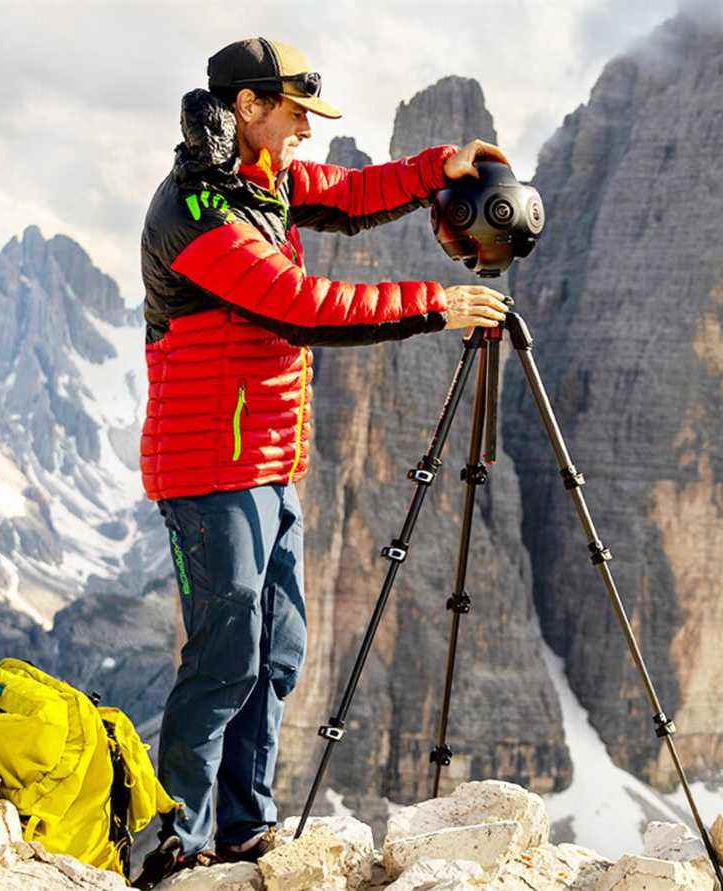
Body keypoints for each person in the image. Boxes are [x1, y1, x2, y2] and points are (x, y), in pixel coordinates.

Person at [132, 37, 511, 888]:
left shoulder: (261, 182)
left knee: (279, 652)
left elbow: (345, 195)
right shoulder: (195, 209)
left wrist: (434, 167)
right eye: (295, 112)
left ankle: (245, 827)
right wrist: (434, 305)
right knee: (224, 657)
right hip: (207, 470)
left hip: (270, 463)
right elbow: (300, 306)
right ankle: (178, 843)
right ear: (248, 108)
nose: (307, 129)